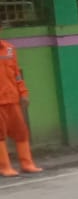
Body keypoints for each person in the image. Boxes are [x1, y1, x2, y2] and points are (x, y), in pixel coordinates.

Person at [0, 37, 41, 177]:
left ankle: (27, 164)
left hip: (12, 99)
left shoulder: (9, 48)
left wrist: (23, 93)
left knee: (21, 132)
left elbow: (17, 74)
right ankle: (4, 167)